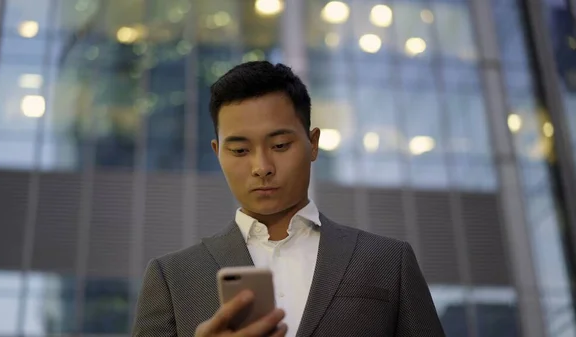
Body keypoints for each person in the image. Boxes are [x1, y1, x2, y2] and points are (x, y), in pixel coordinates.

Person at [132, 61, 445, 337]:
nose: (262, 168)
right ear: (218, 153)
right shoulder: (172, 277)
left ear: (312, 144)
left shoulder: (389, 262)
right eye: (240, 150)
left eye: (280, 145)